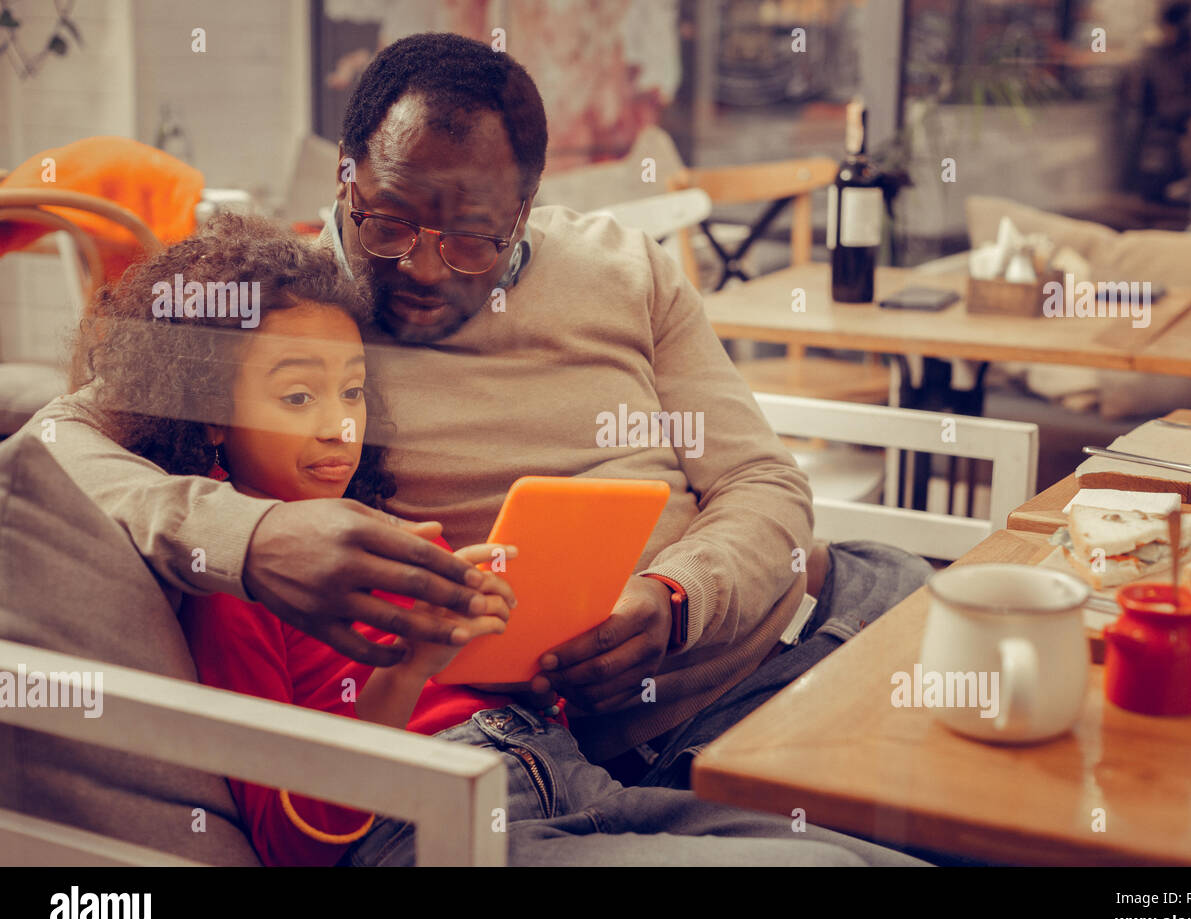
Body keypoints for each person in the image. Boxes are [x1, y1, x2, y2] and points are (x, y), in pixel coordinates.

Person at [23, 31, 931, 788]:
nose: (421, 266)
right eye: (387, 221)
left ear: (526, 210)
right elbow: (54, 439)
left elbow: (760, 479)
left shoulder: (628, 268)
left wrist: (677, 597)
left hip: (832, 606)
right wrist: (249, 537)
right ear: (345, 176)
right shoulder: (280, 312)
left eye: (469, 241)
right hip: (670, 735)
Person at [72, 212, 922, 866]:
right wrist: (407, 670)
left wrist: (533, 631)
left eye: (354, 393)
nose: (338, 427)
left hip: (566, 769)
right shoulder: (245, 579)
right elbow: (301, 840)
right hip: (433, 818)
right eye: (297, 399)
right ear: (211, 415)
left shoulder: (392, 530)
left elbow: (763, 483)